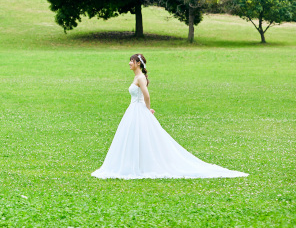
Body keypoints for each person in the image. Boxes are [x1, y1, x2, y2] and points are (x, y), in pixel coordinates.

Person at [92, 53, 247, 179]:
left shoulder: (140, 78)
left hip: (139, 109)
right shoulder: (136, 78)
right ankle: (134, 163)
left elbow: (146, 96)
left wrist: (147, 110)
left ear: (138, 63)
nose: (129, 63)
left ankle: (140, 165)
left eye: (131, 61)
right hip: (133, 110)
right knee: (133, 137)